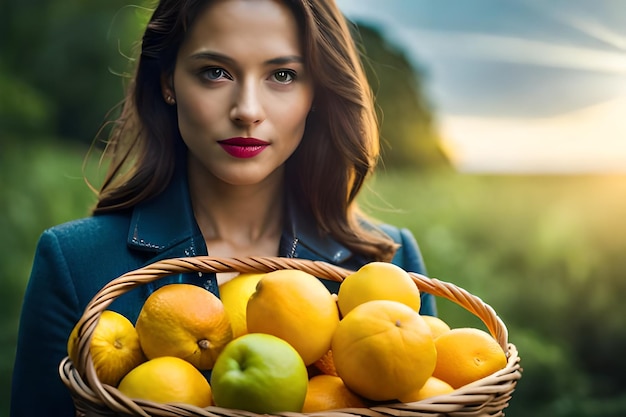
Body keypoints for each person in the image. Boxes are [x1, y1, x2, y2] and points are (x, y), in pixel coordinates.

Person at [11, 0, 437, 415]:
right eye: (215, 72)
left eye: (283, 75)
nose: (247, 110)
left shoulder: (390, 262)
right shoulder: (74, 263)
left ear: (318, 94)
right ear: (167, 82)